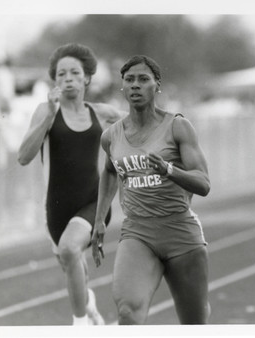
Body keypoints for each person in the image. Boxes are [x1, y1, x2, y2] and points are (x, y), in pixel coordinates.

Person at [91, 55, 211, 325]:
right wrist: (99, 219)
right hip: (138, 233)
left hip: (180, 233)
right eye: (129, 80)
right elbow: (110, 171)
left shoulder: (178, 127)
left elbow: (203, 183)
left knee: (195, 323)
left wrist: (169, 170)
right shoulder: (111, 136)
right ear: (122, 87)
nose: (135, 85)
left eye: (143, 79)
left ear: (157, 86)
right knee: (128, 312)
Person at [17, 43, 123, 325]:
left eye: (74, 72)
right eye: (61, 74)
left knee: (69, 249)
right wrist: (50, 117)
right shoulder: (45, 111)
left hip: (93, 202)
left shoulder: (103, 113)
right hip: (56, 209)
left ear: (87, 77)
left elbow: (139, 133)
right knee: (74, 268)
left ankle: (79, 325)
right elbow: (23, 157)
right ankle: (88, 304)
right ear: (55, 80)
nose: (67, 79)